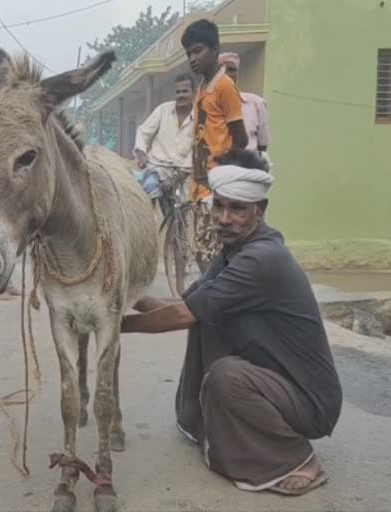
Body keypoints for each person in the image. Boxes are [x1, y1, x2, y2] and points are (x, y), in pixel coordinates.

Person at [120, 149, 342, 497]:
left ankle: (298, 459)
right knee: (206, 318)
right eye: (218, 206)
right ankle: (210, 423)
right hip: (276, 378)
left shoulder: (261, 259)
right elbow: (183, 305)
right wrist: (119, 296)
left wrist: (115, 326)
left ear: (260, 210)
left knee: (227, 375)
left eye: (237, 209)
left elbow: (180, 315)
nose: (223, 218)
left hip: (311, 401)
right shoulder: (233, 252)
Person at [181, 19, 249, 269]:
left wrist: (224, 174)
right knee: (202, 254)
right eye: (188, 53)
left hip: (217, 187)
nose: (192, 58)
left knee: (212, 257)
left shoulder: (224, 87)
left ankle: (216, 305)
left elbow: (240, 139)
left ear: (215, 49)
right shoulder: (201, 87)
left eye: (197, 51)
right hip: (200, 185)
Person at [133, 73, 195, 215]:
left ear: (193, 92)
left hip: (182, 175)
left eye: (185, 91)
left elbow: (196, 151)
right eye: (178, 92)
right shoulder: (162, 110)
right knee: (146, 204)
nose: (181, 95)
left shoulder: (199, 117)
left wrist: (176, 179)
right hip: (157, 169)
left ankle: (176, 234)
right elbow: (143, 132)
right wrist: (141, 153)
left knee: (178, 220)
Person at [218, 52, 272, 168]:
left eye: (232, 70)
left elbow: (262, 146)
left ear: (238, 74)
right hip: (219, 173)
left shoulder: (257, 104)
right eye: (222, 70)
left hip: (248, 173)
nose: (227, 74)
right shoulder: (208, 106)